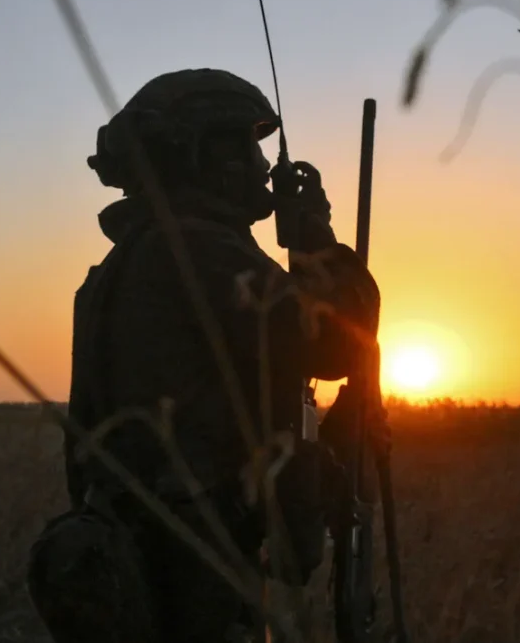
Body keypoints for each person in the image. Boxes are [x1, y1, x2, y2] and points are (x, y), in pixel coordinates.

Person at [27, 68, 385, 643]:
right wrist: (315, 236)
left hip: (150, 570)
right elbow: (340, 339)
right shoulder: (198, 251)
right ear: (196, 156)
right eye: (244, 145)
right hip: (191, 581)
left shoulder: (122, 268)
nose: (264, 165)